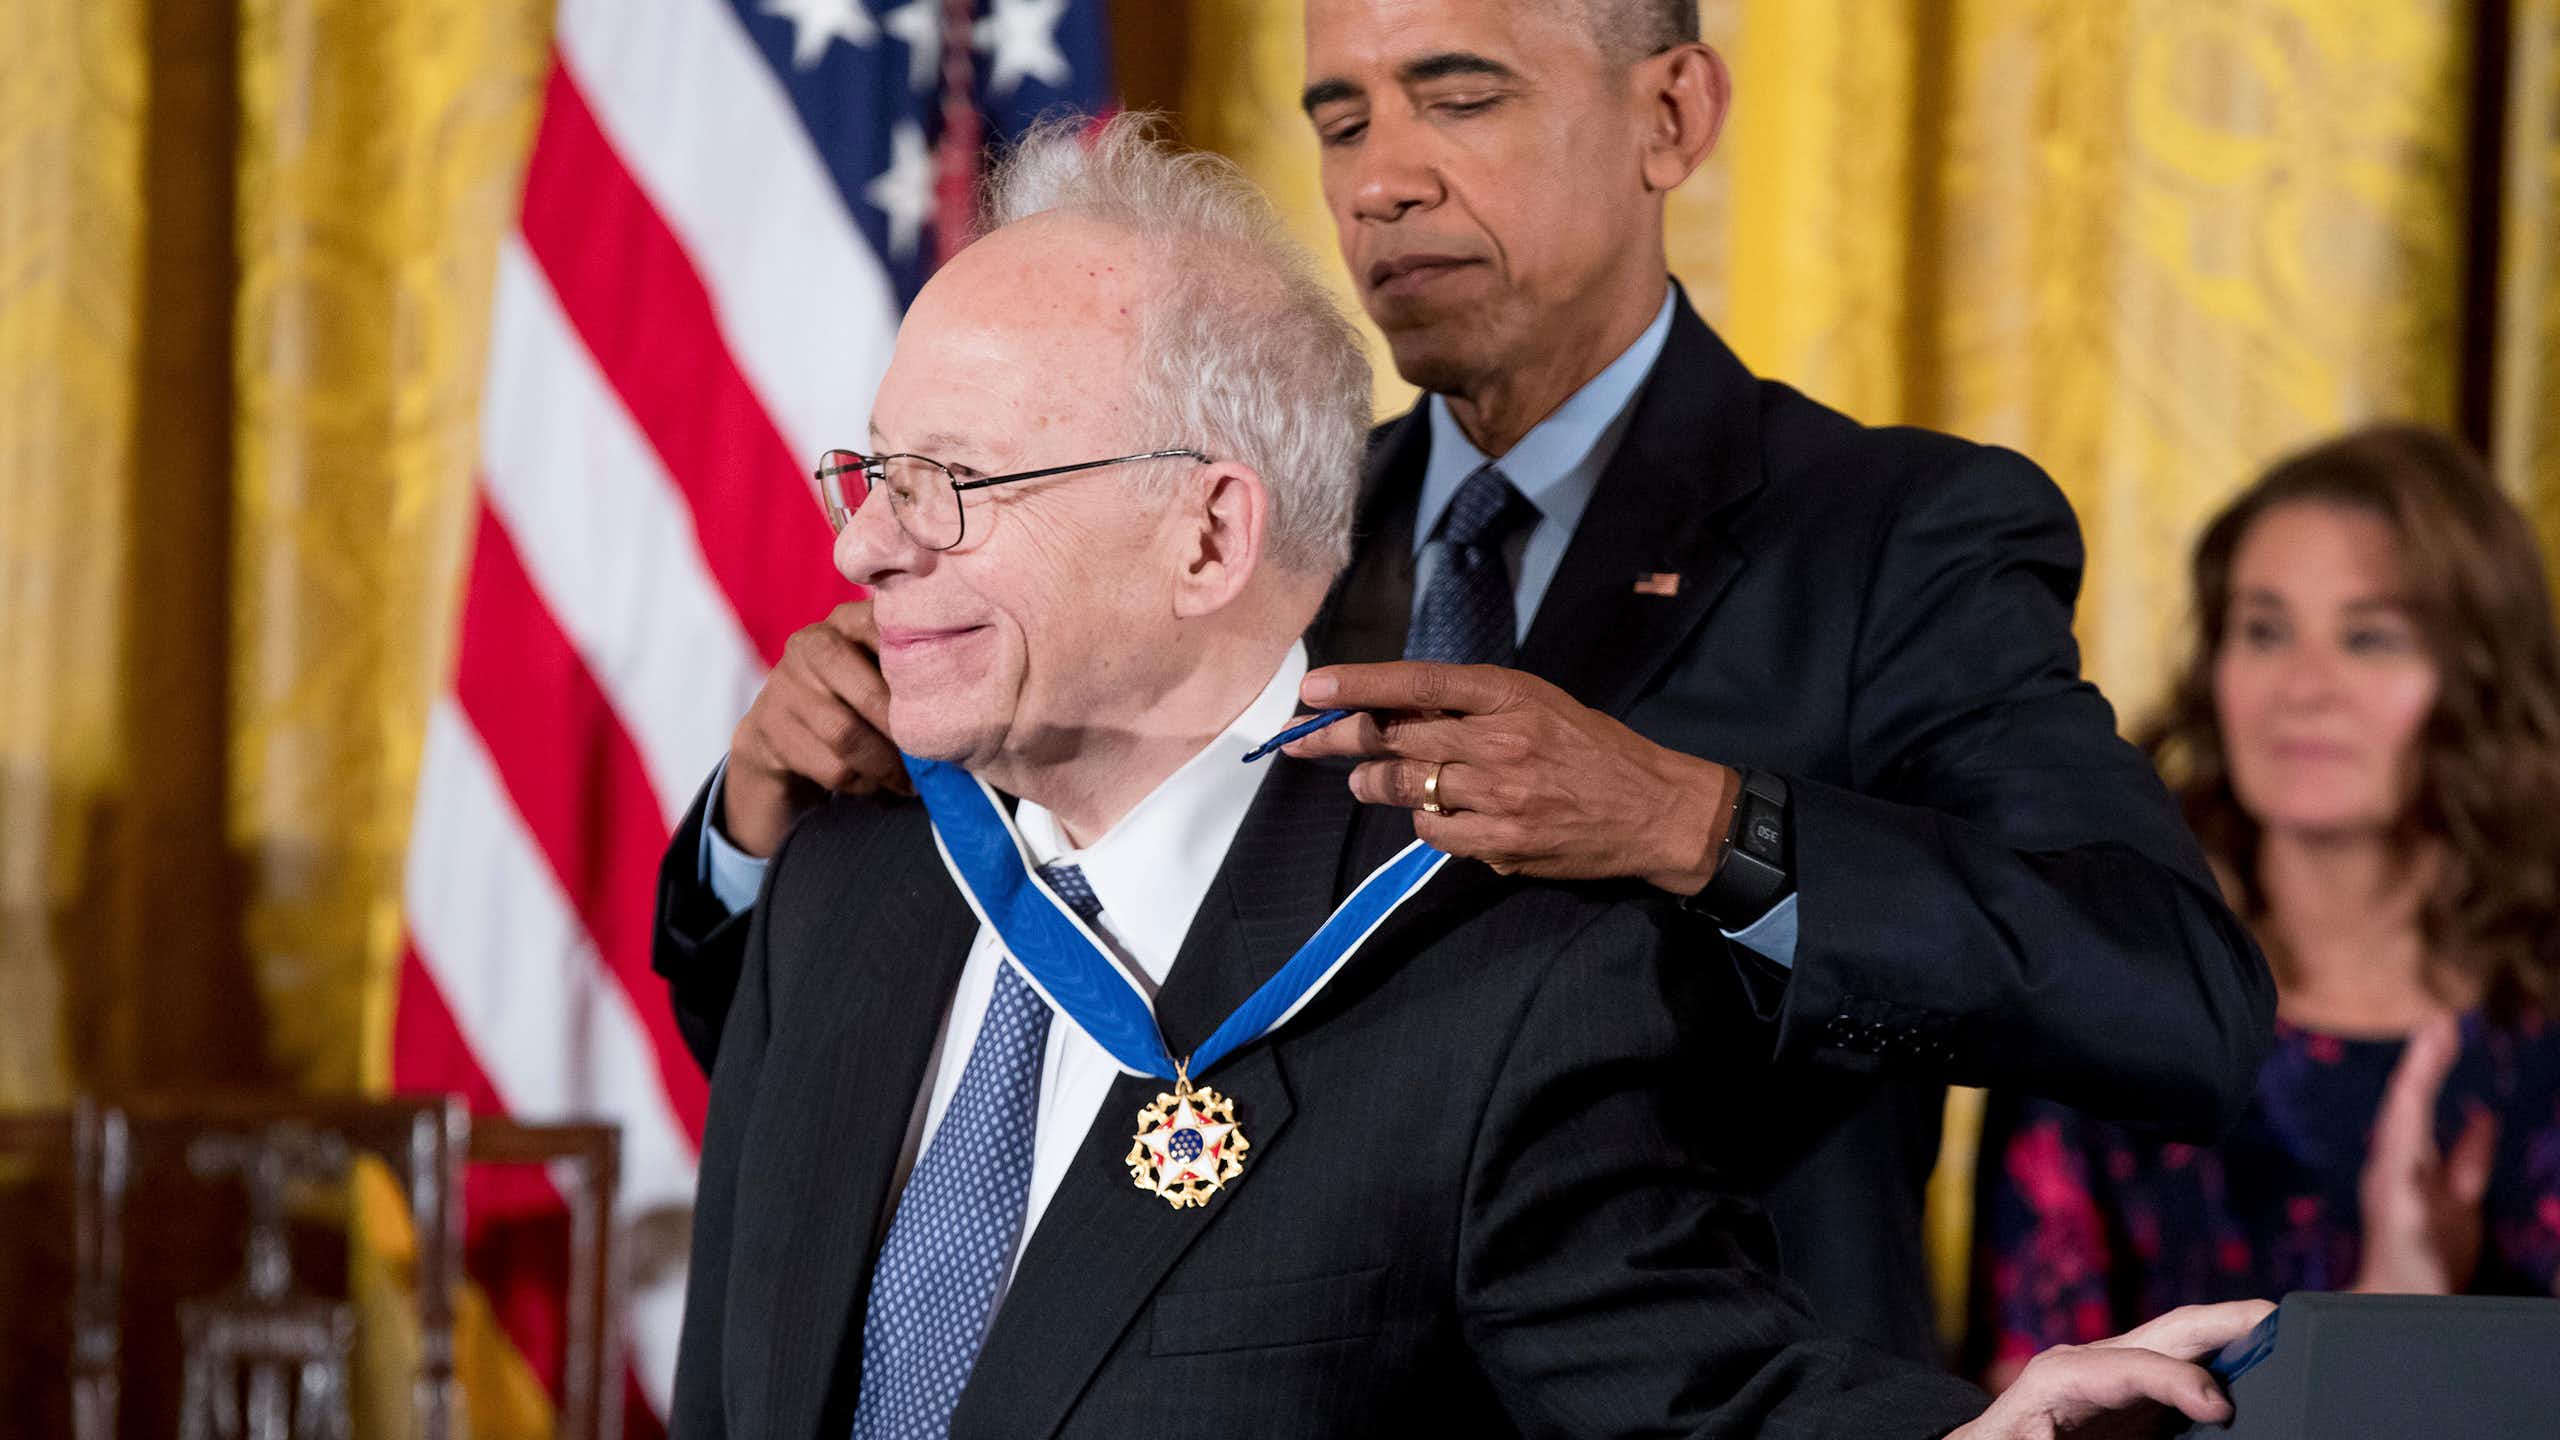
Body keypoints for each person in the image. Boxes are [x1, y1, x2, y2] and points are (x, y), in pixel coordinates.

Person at [659, 0, 2275, 1357]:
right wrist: (750, 834)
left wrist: (1703, 826)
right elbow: (882, 1075)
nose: (1381, 181)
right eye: (1341, 118)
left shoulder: (1891, 537)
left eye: (1460, 95)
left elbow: (2176, 1004)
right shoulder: (1215, 539)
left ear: (1671, 114)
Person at [1974, 425, 2560, 1386]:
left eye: (2369, 636)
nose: (2304, 687)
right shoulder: (2102, 1007)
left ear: (2480, 675)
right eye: (2264, 629)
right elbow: (2029, 1415)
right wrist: (2385, 1320)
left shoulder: (2539, 1025)